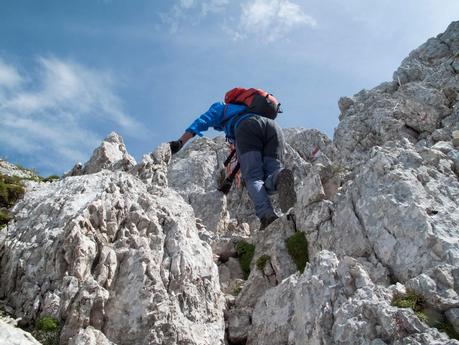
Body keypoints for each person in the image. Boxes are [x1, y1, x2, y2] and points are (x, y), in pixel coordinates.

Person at [169, 89, 296, 230]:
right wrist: (228, 180)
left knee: (253, 178)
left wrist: (180, 142)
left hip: (248, 126)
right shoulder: (247, 108)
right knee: (273, 173)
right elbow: (241, 155)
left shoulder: (220, 108)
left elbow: (200, 122)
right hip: (274, 129)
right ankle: (280, 177)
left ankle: (267, 216)